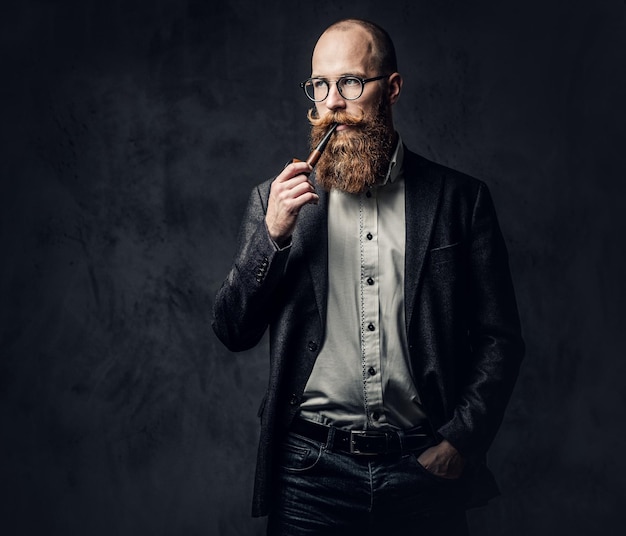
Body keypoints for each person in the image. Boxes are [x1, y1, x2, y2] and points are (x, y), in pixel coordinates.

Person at [212, 18, 524, 536]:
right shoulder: (274, 203)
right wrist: (272, 237)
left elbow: (500, 338)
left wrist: (459, 442)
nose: (333, 101)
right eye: (320, 85)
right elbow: (232, 330)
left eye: (351, 83)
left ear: (392, 89)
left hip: (422, 472)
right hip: (309, 473)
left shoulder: (459, 202)